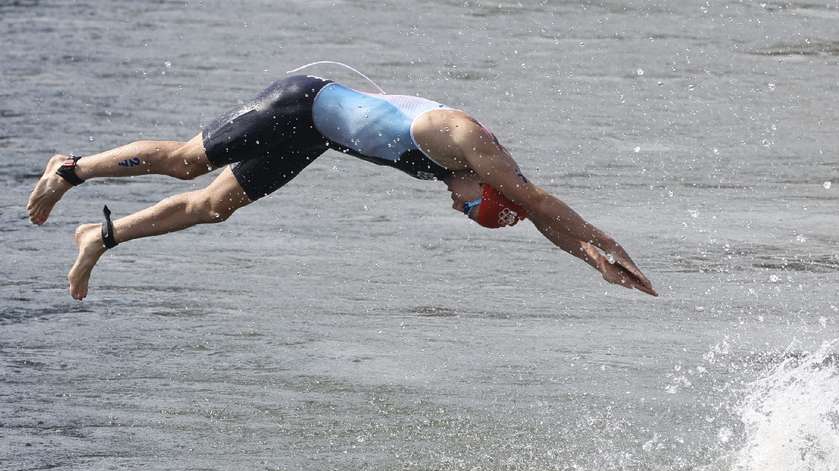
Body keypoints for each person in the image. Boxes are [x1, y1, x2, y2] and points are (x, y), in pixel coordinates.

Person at [26, 73, 657, 300]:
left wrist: (593, 261)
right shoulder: (461, 140)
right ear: (483, 191)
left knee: (213, 207)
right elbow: (540, 201)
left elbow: (536, 213)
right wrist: (605, 239)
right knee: (189, 161)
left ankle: (100, 237)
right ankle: (71, 170)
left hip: (315, 138)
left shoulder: (470, 177)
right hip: (300, 104)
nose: (456, 209)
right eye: (472, 212)